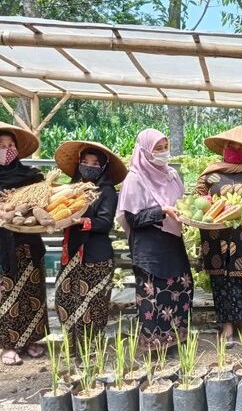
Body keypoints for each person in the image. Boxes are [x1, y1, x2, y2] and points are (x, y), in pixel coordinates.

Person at [196, 126, 242, 350]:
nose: (235, 150)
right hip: (215, 236)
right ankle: (227, 327)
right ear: (224, 148)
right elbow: (197, 200)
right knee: (221, 281)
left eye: (240, 148)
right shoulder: (209, 173)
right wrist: (209, 206)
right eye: (231, 146)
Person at [116, 129, 192, 349]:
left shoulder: (171, 174)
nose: (162, 153)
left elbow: (181, 203)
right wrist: (162, 211)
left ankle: (175, 340)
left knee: (180, 285)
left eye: (165, 147)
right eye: (157, 149)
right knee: (154, 293)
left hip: (172, 241)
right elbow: (132, 218)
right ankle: (154, 345)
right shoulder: (135, 178)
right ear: (145, 150)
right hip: (148, 246)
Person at [53, 141, 127, 347]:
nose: (89, 166)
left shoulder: (107, 191)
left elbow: (104, 223)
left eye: (95, 163)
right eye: (85, 162)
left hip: (95, 256)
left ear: (103, 167)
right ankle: (72, 345)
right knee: (64, 299)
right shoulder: (70, 190)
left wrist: (80, 221)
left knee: (92, 304)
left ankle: (90, 349)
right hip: (72, 253)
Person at [0, 122, 47, 365]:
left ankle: (31, 339)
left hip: (28, 242)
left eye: (10, 146)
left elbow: (41, 202)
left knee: (31, 291)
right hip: (3, 247)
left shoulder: (30, 176)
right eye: (1, 146)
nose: (6, 149)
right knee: (7, 294)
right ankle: (8, 345)